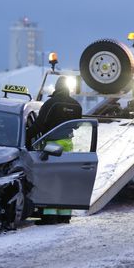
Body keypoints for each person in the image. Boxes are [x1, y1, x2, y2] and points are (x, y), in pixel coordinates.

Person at [27, 75, 82, 224]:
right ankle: (64, 216)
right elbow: (77, 125)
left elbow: (39, 124)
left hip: (52, 145)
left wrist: (26, 138)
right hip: (68, 144)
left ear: (56, 88)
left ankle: (49, 215)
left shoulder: (51, 103)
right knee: (65, 180)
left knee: (50, 180)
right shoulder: (76, 105)